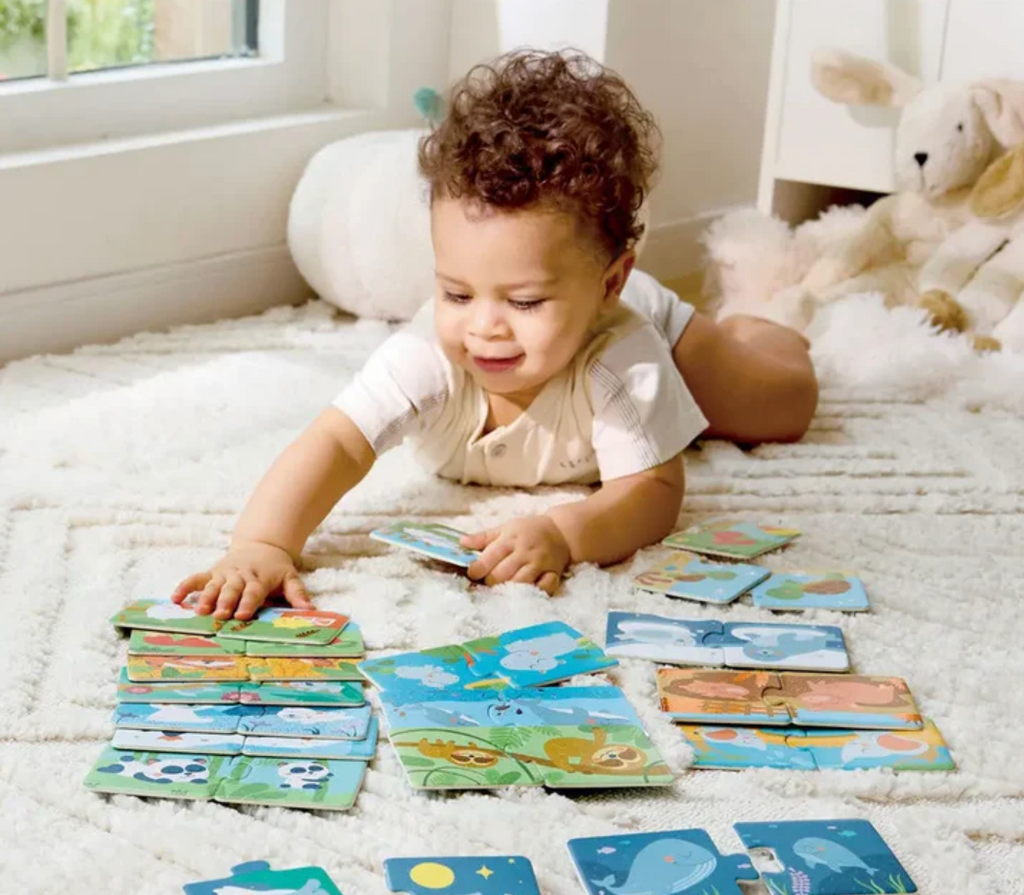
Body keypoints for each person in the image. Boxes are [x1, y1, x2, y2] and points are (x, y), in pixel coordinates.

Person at [173, 49, 817, 619]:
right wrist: (262, 543)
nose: (483, 327)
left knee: (782, 407)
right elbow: (337, 442)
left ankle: (762, 316)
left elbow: (652, 491)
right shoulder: (426, 356)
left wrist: (566, 533)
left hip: (664, 330)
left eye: (525, 301)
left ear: (609, 283)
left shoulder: (625, 353)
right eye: (456, 293)